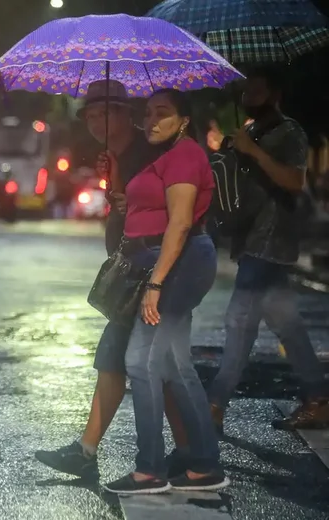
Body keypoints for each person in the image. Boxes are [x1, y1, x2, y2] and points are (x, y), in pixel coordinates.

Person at [35, 80, 191, 479]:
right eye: (89, 115)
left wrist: (125, 197)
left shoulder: (150, 150)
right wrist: (115, 185)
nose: (94, 122)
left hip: (152, 269)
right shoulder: (117, 153)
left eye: (104, 114)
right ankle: (190, 450)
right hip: (135, 265)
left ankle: (99, 454)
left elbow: (165, 210)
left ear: (125, 113)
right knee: (157, 363)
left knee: (123, 357)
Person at [102, 89, 228, 494]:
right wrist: (119, 183)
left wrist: (155, 282)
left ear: (184, 120)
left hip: (180, 262)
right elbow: (143, 209)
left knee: (140, 359)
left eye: (163, 113)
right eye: (148, 113)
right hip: (160, 261)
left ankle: (150, 470)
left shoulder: (186, 155)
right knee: (173, 363)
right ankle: (204, 464)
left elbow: (179, 224)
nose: (152, 120)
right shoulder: (159, 156)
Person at [207, 68, 329, 431]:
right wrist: (235, 150)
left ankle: (214, 404)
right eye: (246, 90)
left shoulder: (290, 131)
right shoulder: (252, 131)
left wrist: (253, 152)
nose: (248, 96)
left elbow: (294, 180)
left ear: (275, 94)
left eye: (257, 90)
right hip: (252, 240)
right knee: (287, 324)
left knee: (239, 321)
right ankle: (318, 399)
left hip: (270, 238)